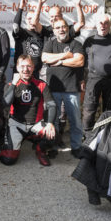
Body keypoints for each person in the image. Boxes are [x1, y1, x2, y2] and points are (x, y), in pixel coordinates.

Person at [0, 54, 56, 166]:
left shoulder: (41, 84)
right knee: (8, 160)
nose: (25, 69)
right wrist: (14, 84)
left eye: (29, 66)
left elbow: (52, 105)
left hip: (36, 124)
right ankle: (17, 141)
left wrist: (50, 123)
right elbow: (6, 103)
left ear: (33, 67)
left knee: (53, 135)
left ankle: (40, 151)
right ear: (17, 68)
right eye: (22, 66)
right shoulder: (11, 85)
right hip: (16, 124)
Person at [41, 19, 85, 157]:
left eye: (64, 27)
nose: (61, 29)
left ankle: (76, 147)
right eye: (58, 27)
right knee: (52, 120)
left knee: (75, 120)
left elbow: (79, 61)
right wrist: (66, 56)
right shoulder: (50, 44)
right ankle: (52, 147)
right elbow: (44, 58)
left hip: (71, 89)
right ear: (54, 30)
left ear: (68, 28)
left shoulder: (75, 44)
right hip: (53, 89)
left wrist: (58, 61)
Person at [82, 15, 111, 136]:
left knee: (110, 109)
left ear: (109, 25)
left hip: (110, 79)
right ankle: (87, 136)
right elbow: (83, 63)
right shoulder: (90, 41)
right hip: (93, 79)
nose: (103, 25)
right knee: (89, 109)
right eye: (100, 23)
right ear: (96, 25)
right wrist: (82, 80)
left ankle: (106, 134)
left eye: (105, 23)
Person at [12, 0, 53, 79]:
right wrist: (21, 8)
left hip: (37, 75)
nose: (31, 20)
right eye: (29, 18)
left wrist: (40, 3)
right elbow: (15, 25)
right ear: (25, 20)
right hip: (21, 73)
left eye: (34, 18)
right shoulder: (22, 33)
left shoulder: (42, 32)